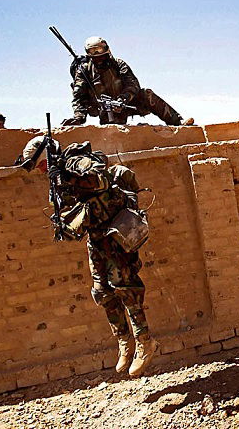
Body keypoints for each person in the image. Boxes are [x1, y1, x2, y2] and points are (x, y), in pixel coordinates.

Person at [19, 136, 159, 378]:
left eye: (41, 164)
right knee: (102, 292)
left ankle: (145, 342)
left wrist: (68, 173)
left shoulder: (74, 162)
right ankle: (124, 342)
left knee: (125, 287)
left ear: (48, 156)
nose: (41, 170)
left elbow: (100, 181)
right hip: (96, 238)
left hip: (115, 231)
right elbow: (70, 210)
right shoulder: (56, 180)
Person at [61, 36, 193, 127]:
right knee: (114, 133)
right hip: (105, 110)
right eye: (95, 56)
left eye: (101, 54)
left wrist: (123, 99)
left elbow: (133, 84)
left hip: (126, 102)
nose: (99, 59)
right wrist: (78, 117)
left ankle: (177, 122)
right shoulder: (84, 71)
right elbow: (79, 97)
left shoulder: (118, 64)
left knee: (147, 94)